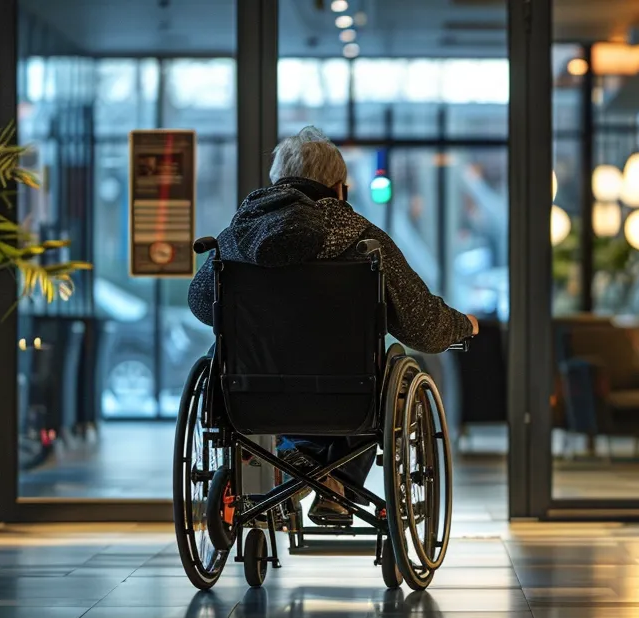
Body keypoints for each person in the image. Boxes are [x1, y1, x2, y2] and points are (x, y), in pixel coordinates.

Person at [188, 126, 476, 526]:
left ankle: (295, 464)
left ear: (276, 182)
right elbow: (422, 324)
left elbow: (202, 306)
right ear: (340, 188)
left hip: (250, 398)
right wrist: (464, 326)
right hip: (348, 400)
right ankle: (332, 482)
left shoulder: (235, 238)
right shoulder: (363, 241)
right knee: (382, 371)